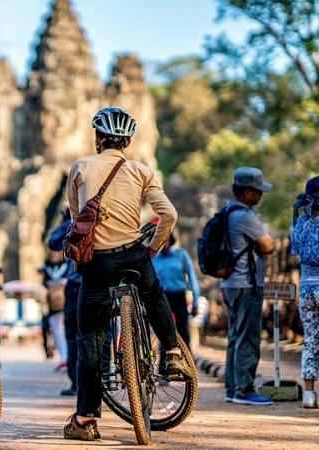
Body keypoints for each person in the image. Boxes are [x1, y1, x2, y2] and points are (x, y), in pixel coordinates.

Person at [63, 107, 190, 441]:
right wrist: (152, 250)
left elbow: (77, 218)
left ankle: (86, 419)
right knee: (154, 293)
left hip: (98, 263)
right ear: (129, 141)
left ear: (98, 138)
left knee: (90, 337)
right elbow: (169, 214)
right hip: (134, 254)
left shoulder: (80, 167)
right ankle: (173, 352)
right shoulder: (141, 171)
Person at [221, 167, 275, 406]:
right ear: (247, 193)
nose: (261, 195)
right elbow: (268, 246)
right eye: (258, 191)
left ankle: (232, 388)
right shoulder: (245, 216)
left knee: (235, 336)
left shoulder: (225, 212)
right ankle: (245, 389)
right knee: (249, 337)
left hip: (230, 283)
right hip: (247, 284)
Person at [290, 176, 319, 408]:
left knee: (310, 340)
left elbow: (295, 252)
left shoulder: (299, 223)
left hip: (307, 287)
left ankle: (309, 395)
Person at [48, 210, 81, 396]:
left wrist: (66, 220)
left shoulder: (72, 223)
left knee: (73, 334)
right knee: (98, 333)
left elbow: (53, 242)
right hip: (99, 281)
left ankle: (76, 383)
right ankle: (102, 381)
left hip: (77, 285)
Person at [152, 234, 201, 349]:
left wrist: (195, 302)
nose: (163, 244)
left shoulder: (181, 255)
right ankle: (164, 366)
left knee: (183, 331)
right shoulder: (154, 259)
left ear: (170, 240)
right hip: (162, 298)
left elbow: (192, 278)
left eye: (165, 240)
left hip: (179, 297)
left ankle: (188, 364)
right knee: (165, 334)